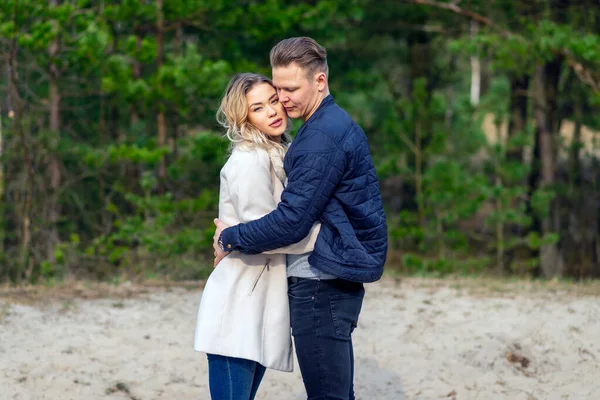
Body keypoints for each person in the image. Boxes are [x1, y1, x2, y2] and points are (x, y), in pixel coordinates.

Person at [213, 37, 388, 400]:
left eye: (289, 90)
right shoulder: (323, 126)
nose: (283, 100)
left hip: (320, 283)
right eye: (278, 90)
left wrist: (229, 237)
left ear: (319, 81)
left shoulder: (320, 136)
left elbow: (291, 223)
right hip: (327, 279)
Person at [194, 72, 321, 400]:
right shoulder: (249, 159)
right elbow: (266, 234)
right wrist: (324, 236)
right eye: (259, 107)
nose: (273, 111)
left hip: (259, 303)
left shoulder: (277, 152)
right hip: (238, 304)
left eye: (274, 100)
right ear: (244, 117)